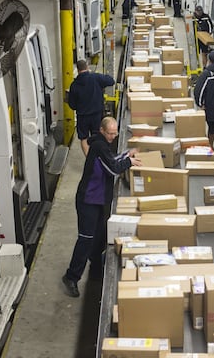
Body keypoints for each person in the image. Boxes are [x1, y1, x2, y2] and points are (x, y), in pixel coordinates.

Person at [62, 117, 142, 297]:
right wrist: (129, 162)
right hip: (88, 200)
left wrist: (127, 154)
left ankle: (96, 267)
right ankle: (71, 277)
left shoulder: (103, 145)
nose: (113, 136)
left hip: (99, 199)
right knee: (86, 239)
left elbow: (112, 159)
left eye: (115, 133)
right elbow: (113, 168)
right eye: (110, 133)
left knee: (99, 235)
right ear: (102, 131)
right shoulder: (98, 146)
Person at [68, 60, 115, 156]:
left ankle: (89, 160)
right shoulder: (95, 77)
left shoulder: (74, 85)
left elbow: (72, 105)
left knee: (84, 138)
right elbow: (111, 81)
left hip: (82, 116)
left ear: (78, 69)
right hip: (96, 115)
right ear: (87, 66)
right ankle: (98, 158)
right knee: (98, 136)